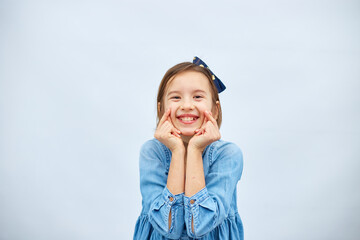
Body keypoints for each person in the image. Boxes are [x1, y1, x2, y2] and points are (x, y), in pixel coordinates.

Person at [133, 57, 244, 239]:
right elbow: (168, 228)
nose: (186, 105)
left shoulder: (228, 155)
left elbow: (199, 226)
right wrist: (177, 151)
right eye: (176, 97)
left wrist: (194, 150)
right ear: (161, 110)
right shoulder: (152, 152)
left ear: (215, 110)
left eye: (198, 97)